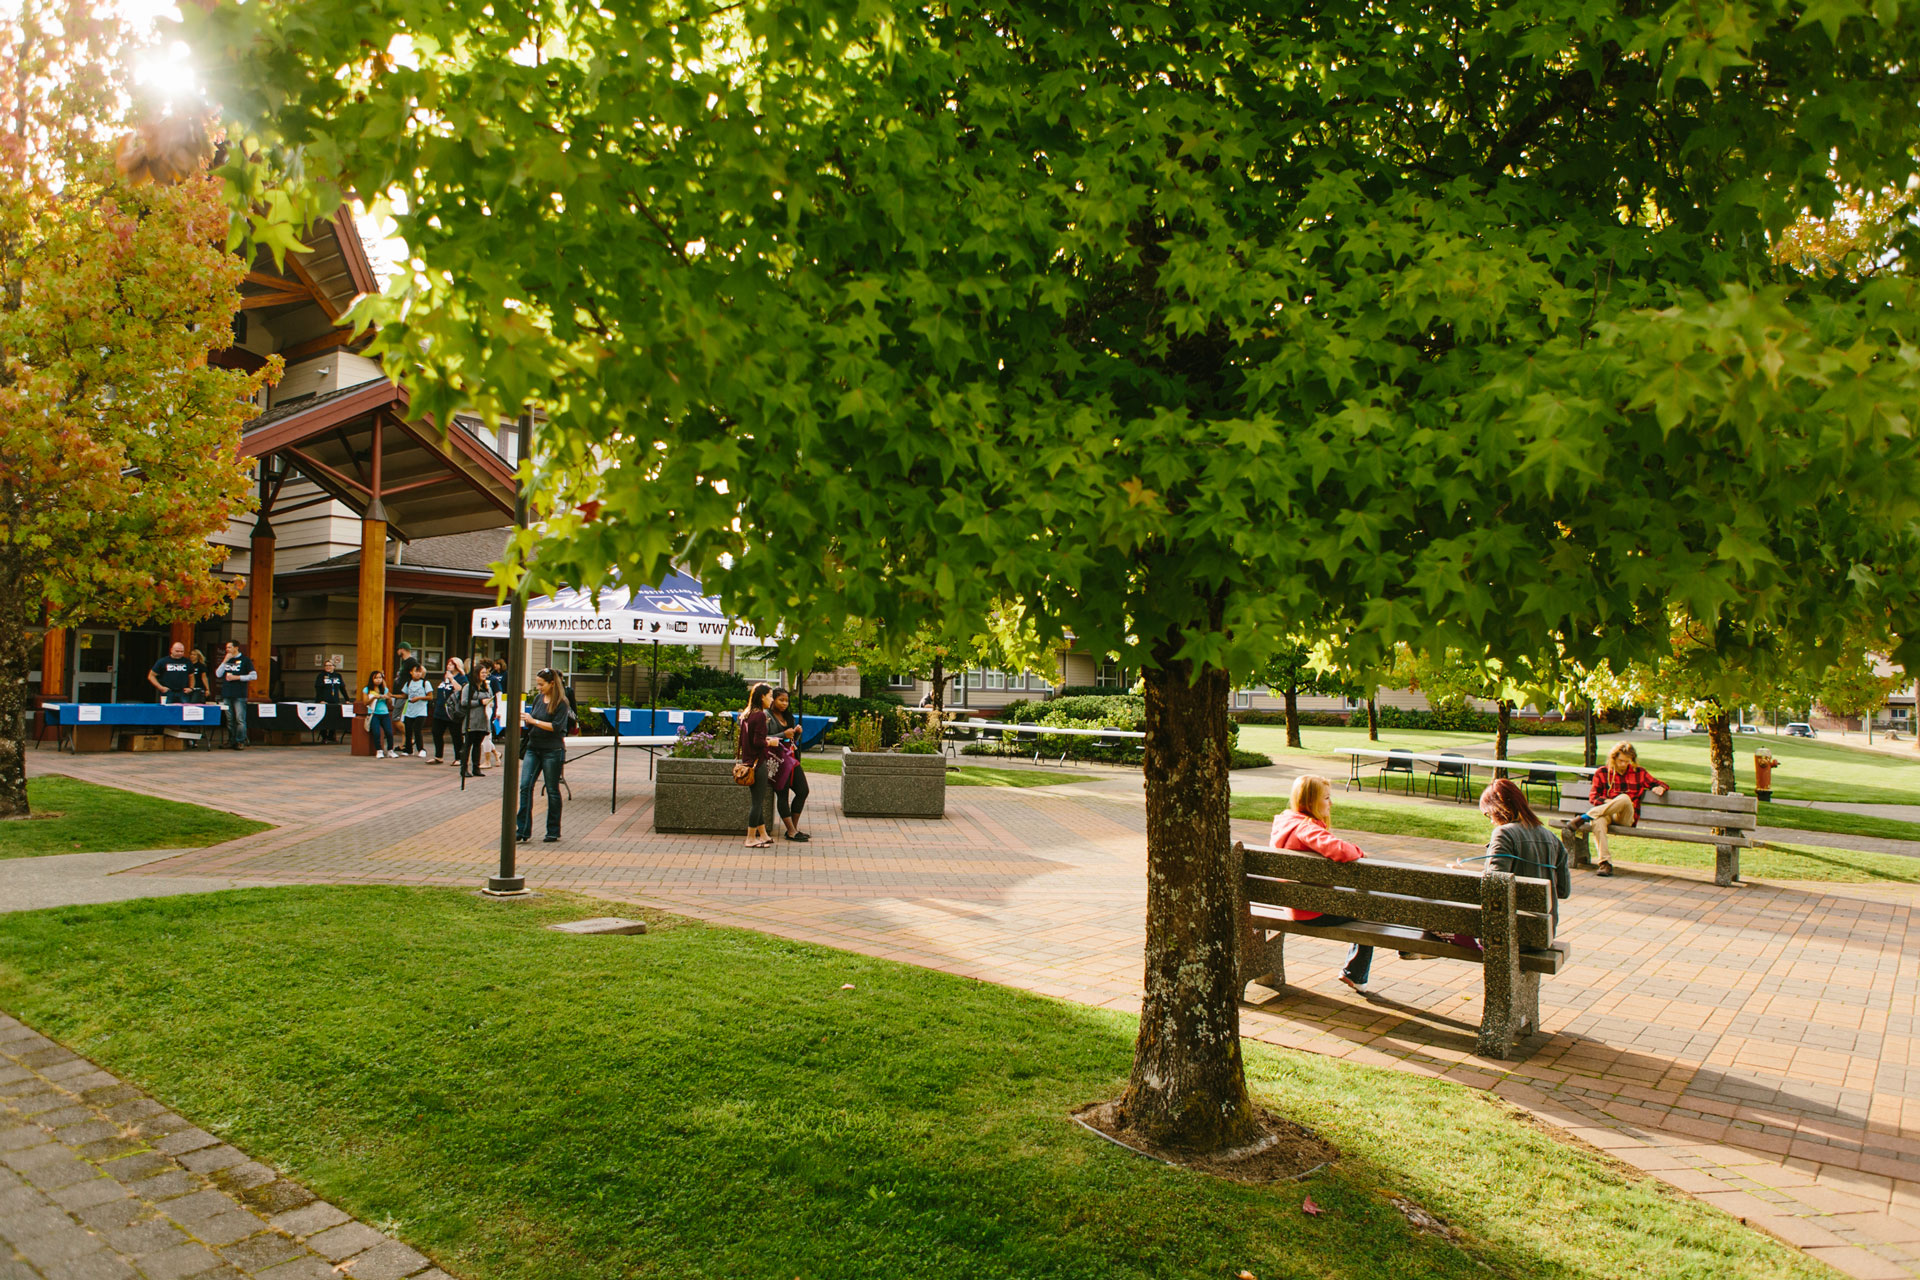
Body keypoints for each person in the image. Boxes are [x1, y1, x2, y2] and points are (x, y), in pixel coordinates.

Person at [1269, 773, 1377, 995]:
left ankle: (1356, 971)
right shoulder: (1306, 828)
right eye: (1326, 798)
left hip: (1292, 905)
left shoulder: (1285, 822)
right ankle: (1356, 973)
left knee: (1362, 903)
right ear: (1310, 802)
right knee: (1372, 909)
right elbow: (1342, 851)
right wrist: (1360, 852)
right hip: (1313, 911)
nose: (1331, 803)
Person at [1568, 741, 1669, 877]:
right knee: (1598, 821)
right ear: (1613, 758)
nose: (1623, 764)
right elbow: (1593, 797)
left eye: (1627, 761)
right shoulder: (1602, 772)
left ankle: (1585, 817)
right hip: (1607, 814)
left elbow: (1659, 783)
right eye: (1620, 760)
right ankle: (1605, 863)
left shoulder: (1639, 772)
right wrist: (1610, 802)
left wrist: (1660, 787)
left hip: (1626, 817)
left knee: (1625, 798)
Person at [517, 667, 572, 843]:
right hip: (534, 747)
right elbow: (533, 722)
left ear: (551, 683)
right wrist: (528, 721)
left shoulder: (562, 702)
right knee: (525, 786)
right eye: (538, 684)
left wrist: (534, 721)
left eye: (541, 684)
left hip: (552, 750)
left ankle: (553, 830)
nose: (538, 687)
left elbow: (557, 727)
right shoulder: (538, 699)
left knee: (552, 789)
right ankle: (523, 830)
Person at [766, 688, 810, 842]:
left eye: (786, 700)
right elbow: (764, 738)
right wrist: (783, 735)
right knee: (782, 795)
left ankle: (794, 828)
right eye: (781, 700)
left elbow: (792, 741)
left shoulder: (788, 717)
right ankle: (791, 831)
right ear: (773, 700)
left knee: (803, 791)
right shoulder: (767, 716)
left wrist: (797, 733)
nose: (784, 704)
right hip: (776, 760)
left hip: (791, 759)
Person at [738, 682, 777, 849]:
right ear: (762, 697)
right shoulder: (760, 715)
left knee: (757, 800)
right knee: (757, 802)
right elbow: (758, 742)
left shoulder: (747, 714)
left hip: (747, 761)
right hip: (757, 763)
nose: (772, 699)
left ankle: (763, 834)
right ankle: (750, 838)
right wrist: (771, 742)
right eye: (770, 696)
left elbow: (745, 741)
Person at [213, 642, 258, 750]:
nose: (227, 649)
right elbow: (218, 674)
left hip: (239, 694)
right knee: (229, 719)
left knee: (239, 719)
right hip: (227, 693)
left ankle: (240, 741)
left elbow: (253, 676)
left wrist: (237, 677)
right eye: (226, 648)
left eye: (229, 647)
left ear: (236, 648)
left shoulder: (245, 660)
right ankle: (231, 740)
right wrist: (224, 661)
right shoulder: (227, 660)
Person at [457, 659, 496, 779]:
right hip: (471, 719)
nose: (485, 675)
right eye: (482, 673)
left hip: (482, 720)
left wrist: (490, 703)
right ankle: (464, 769)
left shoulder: (487, 687)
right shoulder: (469, 687)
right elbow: (464, 702)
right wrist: (480, 702)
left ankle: (476, 767)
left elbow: (491, 698)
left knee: (478, 745)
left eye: (486, 673)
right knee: (467, 744)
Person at [429, 658, 468, 765]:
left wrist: (452, 679)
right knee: (436, 732)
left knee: (455, 734)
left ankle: (459, 758)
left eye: (452, 664)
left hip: (453, 711)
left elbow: (461, 690)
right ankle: (438, 756)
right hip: (440, 710)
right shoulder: (445, 677)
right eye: (448, 664)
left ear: (457, 666)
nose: (449, 666)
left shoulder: (461, 678)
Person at [401, 663, 433, 758]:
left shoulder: (425, 683)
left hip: (421, 710)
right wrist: (392, 696)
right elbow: (404, 695)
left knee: (417, 729)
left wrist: (418, 698)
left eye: (419, 672)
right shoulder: (408, 683)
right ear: (411, 672)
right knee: (408, 730)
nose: (418, 674)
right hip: (409, 710)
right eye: (416, 671)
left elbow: (430, 697)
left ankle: (421, 749)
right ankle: (408, 750)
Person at [362, 671, 396, 758]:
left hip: (385, 713)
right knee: (376, 733)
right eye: (376, 678)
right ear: (372, 679)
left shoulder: (385, 689)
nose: (378, 680)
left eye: (380, 678)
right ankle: (379, 750)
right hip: (373, 713)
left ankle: (390, 750)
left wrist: (387, 697)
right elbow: (365, 702)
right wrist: (374, 697)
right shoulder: (367, 689)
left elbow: (390, 703)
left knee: (389, 732)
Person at [314, 658, 349, 743]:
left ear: (334, 666)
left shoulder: (338, 676)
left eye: (330, 665)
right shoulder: (321, 676)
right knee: (323, 719)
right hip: (324, 700)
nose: (328, 667)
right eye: (326, 665)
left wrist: (347, 699)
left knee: (334, 718)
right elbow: (318, 689)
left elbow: (342, 688)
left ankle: (331, 736)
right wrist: (320, 700)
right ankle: (324, 736)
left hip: (334, 700)